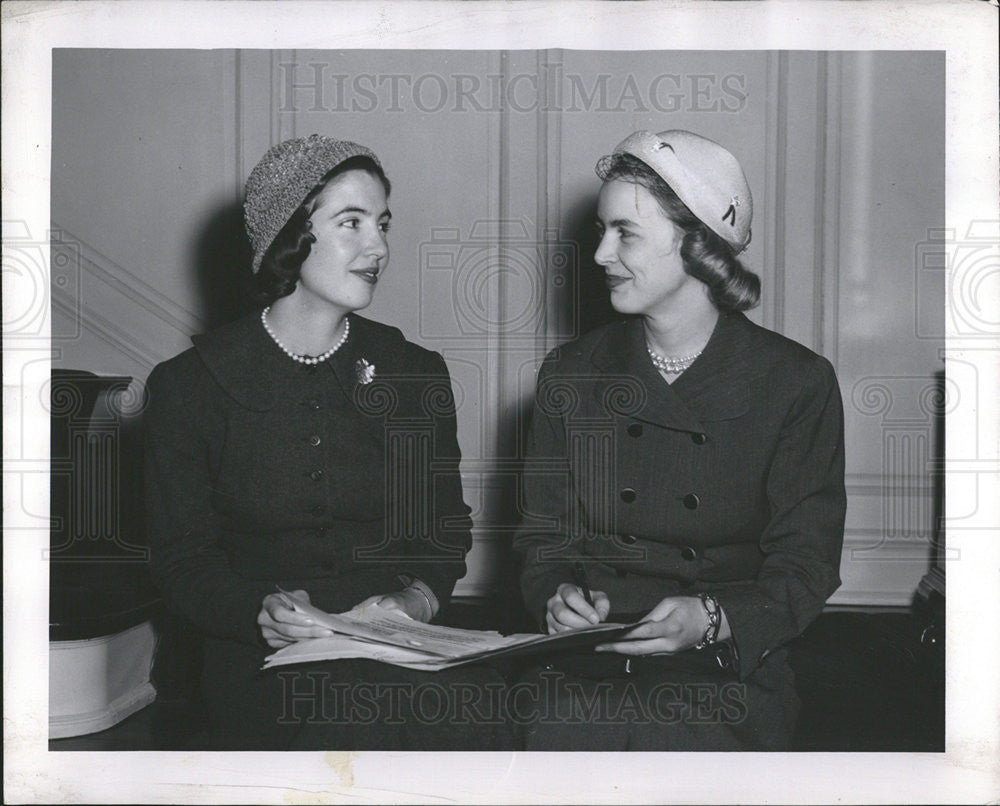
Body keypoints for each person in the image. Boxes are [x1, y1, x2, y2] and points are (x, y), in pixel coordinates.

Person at [144, 134, 511, 750]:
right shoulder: (189, 386)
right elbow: (183, 561)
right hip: (262, 658)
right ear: (289, 235)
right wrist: (257, 611)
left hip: (402, 645)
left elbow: (444, 527)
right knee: (346, 719)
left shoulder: (412, 373)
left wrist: (417, 601)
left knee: (482, 710)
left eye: (383, 223)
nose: (380, 247)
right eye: (352, 223)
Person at [512, 130, 846, 750]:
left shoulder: (795, 383)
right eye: (601, 230)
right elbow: (543, 537)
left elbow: (806, 563)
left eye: (625, 233)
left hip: (726, 673)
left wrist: (714, 617)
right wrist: (555, 595)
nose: (600, 254)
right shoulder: (572, 375)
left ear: (695, 245)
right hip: (585, 667)